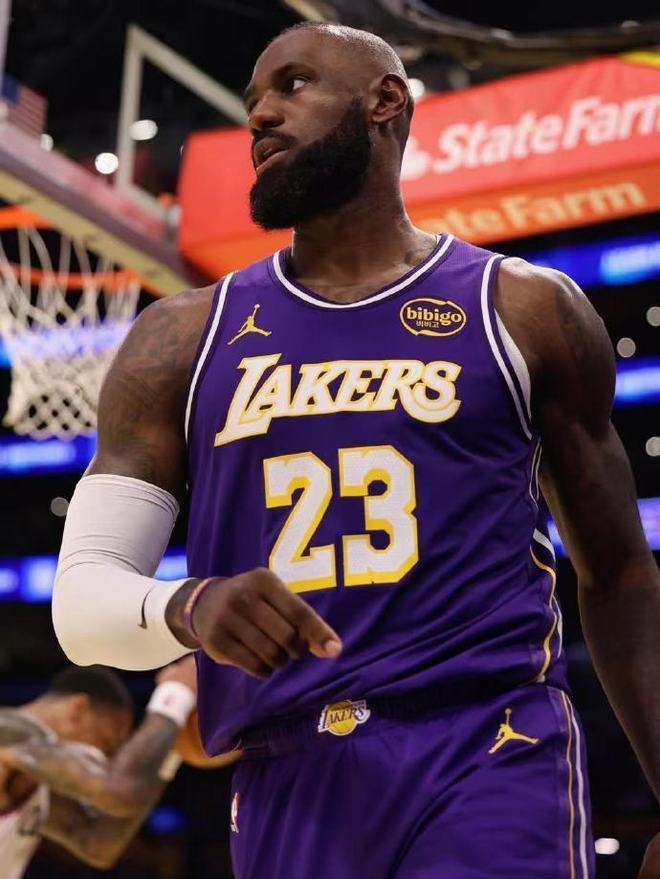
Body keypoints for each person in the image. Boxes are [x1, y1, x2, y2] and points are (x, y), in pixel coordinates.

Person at [51, 21, 660, 879]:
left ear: (385, 101)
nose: (260, 113)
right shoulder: (179, 339)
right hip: (287, 768)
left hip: (488, 745)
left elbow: (620, 573)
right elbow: (81, 602)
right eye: (252, 98)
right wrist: (190, 605)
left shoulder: (523, 309)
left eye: (292, 84)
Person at [0, 658, 196, 876]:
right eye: (106, 746)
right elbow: (120, 790)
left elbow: (96, 844)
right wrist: (176, 695)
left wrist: (170, 749)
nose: (107, 762)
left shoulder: (29, 774)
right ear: (78, 709)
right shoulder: (8, 733)